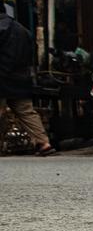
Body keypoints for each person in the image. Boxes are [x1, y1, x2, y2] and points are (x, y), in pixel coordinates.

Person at [0, 10, 54, 156]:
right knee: (26, 111)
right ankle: (43, 142)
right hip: (21, 77)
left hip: (3, 75)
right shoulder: (21, 29)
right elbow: (33, 53)